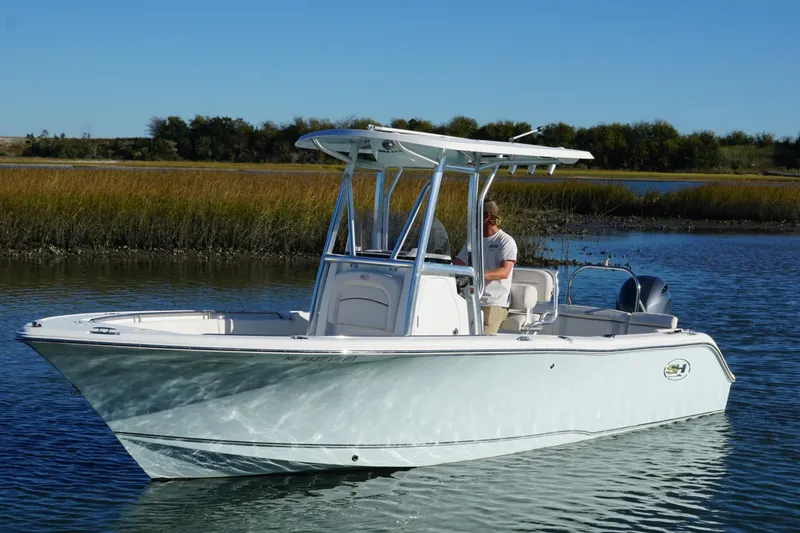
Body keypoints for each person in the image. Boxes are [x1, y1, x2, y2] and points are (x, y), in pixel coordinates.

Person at [454, 200, 518, 334]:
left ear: (486, 216)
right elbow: (458, 262)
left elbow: (504, 272)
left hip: (493, 303)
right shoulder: (474, 241)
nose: (471, 218)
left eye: (474, 214)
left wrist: (476, 276)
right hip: (470, 299)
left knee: (481, 339)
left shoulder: (505, 241)